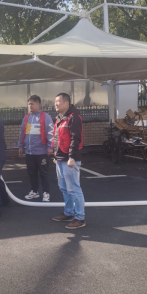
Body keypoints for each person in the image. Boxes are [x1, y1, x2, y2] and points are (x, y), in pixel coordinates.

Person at [51, 93, 86, 229]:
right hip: (60, 159)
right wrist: (56, 156)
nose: (56, 104)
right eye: (55, 101)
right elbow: (57, 138)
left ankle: (80, 218)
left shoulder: (74, 117)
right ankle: (69, 212)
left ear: (66, 103)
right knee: (64, 188)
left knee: (74, 189)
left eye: (58, 101)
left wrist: (72, 157)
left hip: (69, 159)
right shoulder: (60, 118)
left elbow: (75, 139)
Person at [18, 95, 54, 202]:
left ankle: (46, 192)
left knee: (44, 173)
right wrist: (21, 146)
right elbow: (22, 133)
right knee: (32, 173)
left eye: (32, 104)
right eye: (29, 104)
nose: (30, 106)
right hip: (29, 152)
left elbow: (50, 133)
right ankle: (34, 191)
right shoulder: (26, 118)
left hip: (41, 152)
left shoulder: (45, 117)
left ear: (38, 104)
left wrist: (50, 147)